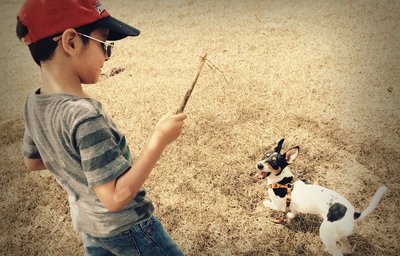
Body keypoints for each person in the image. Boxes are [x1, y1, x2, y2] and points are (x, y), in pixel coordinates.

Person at [17, 0, 186, 255]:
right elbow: (115, 198)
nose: (107, 56)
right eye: (104, 44)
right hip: (130, 228)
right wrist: (159, 139)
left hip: (90, 228)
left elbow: (33, 161)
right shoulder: (85, 117)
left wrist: (77, 163)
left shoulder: (34, 103)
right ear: (71, 42)